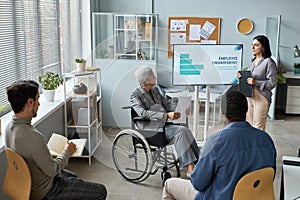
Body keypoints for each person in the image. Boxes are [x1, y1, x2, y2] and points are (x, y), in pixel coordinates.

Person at [162, 90, 277, 200]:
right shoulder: (266, 139)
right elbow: (270, 176)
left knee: (169, 185)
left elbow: (198, 184)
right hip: (256, 197)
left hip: (220, 197)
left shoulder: (215, 143)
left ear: (222, 112)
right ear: (246, 110)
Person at [5, 80, 107, 200]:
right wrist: (67, 152)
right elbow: (53, 170)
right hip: (48, 191)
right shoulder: (33, 137)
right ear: (30, 102)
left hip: (30, 185)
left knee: (73, 176)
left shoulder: (9, 127)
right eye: (37, 99)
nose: (39, 104)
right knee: (101, 191)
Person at [130, 66, 199, 176]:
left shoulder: (155, 90)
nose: (155, 77)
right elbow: (143, 113)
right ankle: (190, 168)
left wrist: (180, 108)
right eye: (153, 75)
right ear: (147, 80)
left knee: (185, 130)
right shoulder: (135, 95)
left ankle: (198, 162)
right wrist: (166, 116)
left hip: (162, 127)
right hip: (149, 130)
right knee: (180, 131)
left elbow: (167, 104)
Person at [238, 35, 277, 130]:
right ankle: (250, 145)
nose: (253, 47)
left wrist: (256, 82)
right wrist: (241, 77)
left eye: (256, 45)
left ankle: (258, 145)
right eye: (252, 45)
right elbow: (250, 78)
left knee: (258, 127)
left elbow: (272, 82)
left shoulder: (269, 62)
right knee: (249, 126)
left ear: (263, 47)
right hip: (249, 96)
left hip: (262, 97)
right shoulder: (252, 61)